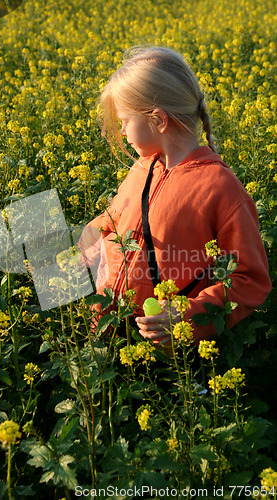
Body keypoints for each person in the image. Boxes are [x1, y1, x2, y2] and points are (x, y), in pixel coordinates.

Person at [85, 46, 271, 346]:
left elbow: (249, 280)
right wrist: (85, 246)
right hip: (108, 335)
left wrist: (186, 316)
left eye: (124, 121)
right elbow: (112, 221)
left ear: (158, 121)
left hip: (168, 356)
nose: (121, 131)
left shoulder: (220, 188)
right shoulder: (144, 169)